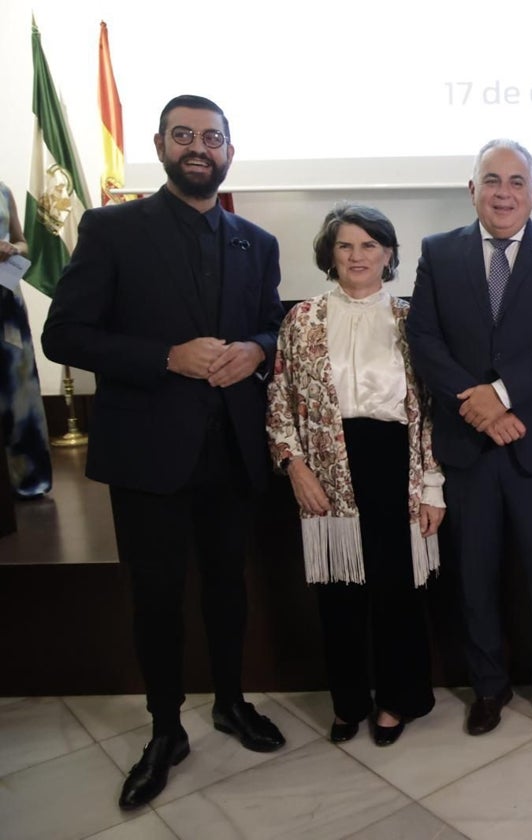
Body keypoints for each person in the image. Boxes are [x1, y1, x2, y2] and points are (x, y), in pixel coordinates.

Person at [41, 95, 285, 810]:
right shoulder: (112, 229)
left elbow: (273, 325)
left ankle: (231, 703)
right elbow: (66, 336)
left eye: (212, 137)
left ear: (229, 153)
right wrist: (165, 357)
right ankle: (163, 730)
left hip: (232, 450)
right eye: (185, 135)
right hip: (149, 453)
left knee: (227, 590)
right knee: (156, 600)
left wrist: (256, 350)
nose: (198, 147)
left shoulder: (256, 241)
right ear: (161, 145)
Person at [406, 139, 532, 737]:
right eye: (492, 180)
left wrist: (503, 395)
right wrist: (481, 407)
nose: (504, 192)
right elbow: (425, 341)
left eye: (517, 182)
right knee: (475, 578)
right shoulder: (438, 253)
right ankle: (488, 689)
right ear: (472, 189)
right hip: (469, 450)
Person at [266, 204, 445, 747]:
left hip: (397, 465)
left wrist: (433, 485)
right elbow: (280, 398)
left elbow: (433, 409)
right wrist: (294, 467)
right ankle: (348, 702)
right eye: (346, 245)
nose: (357, 256)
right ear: (330, 254)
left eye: (370, 245)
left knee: (397, 594)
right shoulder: (303, 319)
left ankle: (396, 700)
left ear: (389, 254)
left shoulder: (414, 320)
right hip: (327, 469)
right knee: (341, 593)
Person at [0, 180, 52, 498]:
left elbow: (23, 243)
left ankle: (28, 480)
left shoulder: (3, 192)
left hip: (6, 304)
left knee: (18, 392)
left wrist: (12, 249)